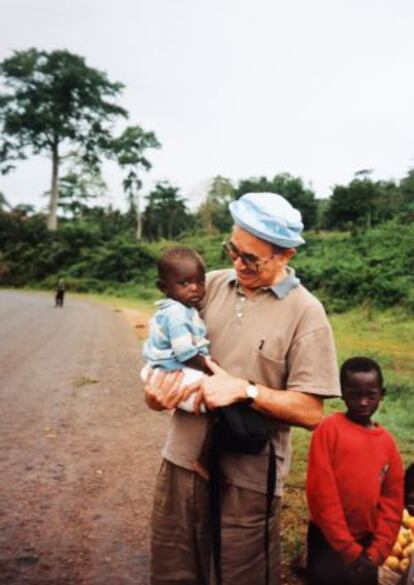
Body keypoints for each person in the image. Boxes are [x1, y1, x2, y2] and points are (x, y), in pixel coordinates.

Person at [144, 192, 341, 585]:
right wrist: (155, 395)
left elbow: (311, 412)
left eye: (251, 258)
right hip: (183, 461)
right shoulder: (207, 286)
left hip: (249, 478)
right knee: (173, 570)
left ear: (286, 255)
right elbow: (166, 355)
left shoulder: (307, 312)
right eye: (233, 249)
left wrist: (246, 390)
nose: (237, 263)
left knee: (241, 575)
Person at [306, 356, 404, 585]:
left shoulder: (387, 444)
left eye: (370, 396)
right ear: (341, 393)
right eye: (354, 395)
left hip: (368, 546)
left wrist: (377, 552)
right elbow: (322, 494)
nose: (363, 402)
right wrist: (347, 548)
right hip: (327, 541)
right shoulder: (328, 430)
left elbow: (392, 501)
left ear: (382, 393)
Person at [141, 246, 211, 413]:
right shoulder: (177, 313)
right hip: (176, 368)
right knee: (211, 397)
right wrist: (209, 366)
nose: (194, 288)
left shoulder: (179, 308)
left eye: (200, 282)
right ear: (163, 287)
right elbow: (184, 352)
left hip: (163, 367)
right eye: (184, 283)